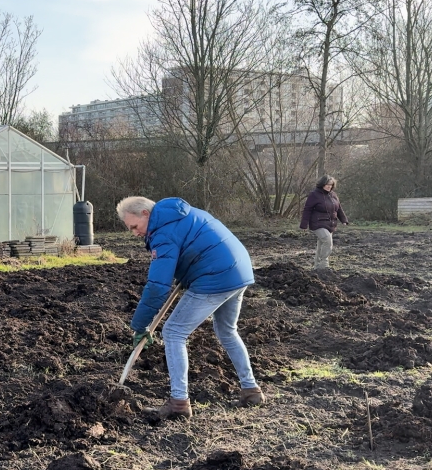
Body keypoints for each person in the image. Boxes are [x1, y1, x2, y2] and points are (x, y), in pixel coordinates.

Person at [117, 196, 264, 420]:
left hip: (216, 276)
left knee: (173, 332)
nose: (135, 233)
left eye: (134, 227)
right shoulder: (182, 214)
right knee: (227, 330)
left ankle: (179, 404)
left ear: (145, 214)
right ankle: (251, 390)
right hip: (239, 270)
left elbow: (157, 287)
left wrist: (140, 325)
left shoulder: (162, 232)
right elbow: (197, 247)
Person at [299, 175, 349, 272]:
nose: (329, 186)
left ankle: (317, 266)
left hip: (330, 224)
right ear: (322, 184)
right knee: (327, 240)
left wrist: (344, 220)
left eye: (331, 185)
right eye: (327, 184)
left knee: (321, 244)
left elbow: (338, 208)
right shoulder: (314, 194)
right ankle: (324, 264)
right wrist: (304, 224)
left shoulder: (333, 195)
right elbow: (307, 209)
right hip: (317, 223)